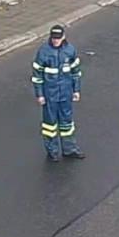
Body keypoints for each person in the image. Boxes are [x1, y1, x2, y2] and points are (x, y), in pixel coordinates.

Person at [30, 24, 85, 161]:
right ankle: (52, 152)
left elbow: (75, 72)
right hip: (50, 95)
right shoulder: (43, 52)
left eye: (58, 38)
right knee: (50, 125)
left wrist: (76, 90)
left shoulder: (70, 50)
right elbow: (37, 76)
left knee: (67, 124)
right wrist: (40, 94)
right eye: (53, 38)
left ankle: (69, 149)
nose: (55, 40)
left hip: (65, 94)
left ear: (63, 37)